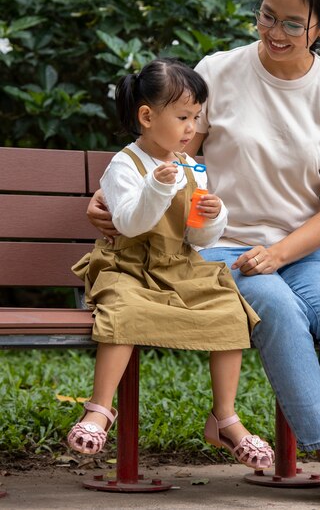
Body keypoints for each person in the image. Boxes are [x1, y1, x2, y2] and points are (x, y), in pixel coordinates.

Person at [86, 0, 320, 508]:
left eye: (293, 24)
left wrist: (279, 253)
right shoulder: (219, 71)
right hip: (217, 244)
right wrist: (111, 193)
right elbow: (170, 152)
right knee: (274, 309)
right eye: (266, 15)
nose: (274, 32)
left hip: (303, 248)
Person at [67, 58, 274, 471]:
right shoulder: (124, 165)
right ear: (147, 116)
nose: (192, 128)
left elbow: (199, 238)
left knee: (230, 309)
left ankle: (224, 417)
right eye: (183, 117)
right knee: (123, 308)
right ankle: (100, 408)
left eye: (197, 117)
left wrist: (214, 215)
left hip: (178, 267)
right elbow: (129, 222)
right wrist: (159, 187)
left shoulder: (188, 166)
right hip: (128, 265)